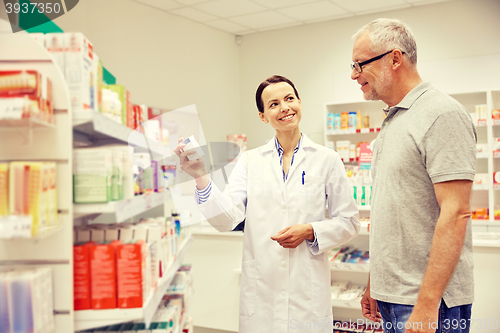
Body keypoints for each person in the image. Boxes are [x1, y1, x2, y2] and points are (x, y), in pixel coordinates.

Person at [174, 75, 360, 333]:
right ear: (263, 116)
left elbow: (349, 221)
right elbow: (226, 219)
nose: (284, 107)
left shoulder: (327, 159)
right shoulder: (250, 161)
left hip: (307, 292)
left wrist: (310, 231)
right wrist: (201, 176)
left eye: (289, 99)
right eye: (273, 104)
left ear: (300, 103)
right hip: (262, 291)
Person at [351, 18, 476, 333]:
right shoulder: (395, 120)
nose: (354, 75)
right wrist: (375, 283)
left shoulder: (441, 114)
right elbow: (390, 210)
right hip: (395, 295)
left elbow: (456, 212)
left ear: (394, 59)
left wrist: (427, 303)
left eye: (359, 64)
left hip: (428, 302)